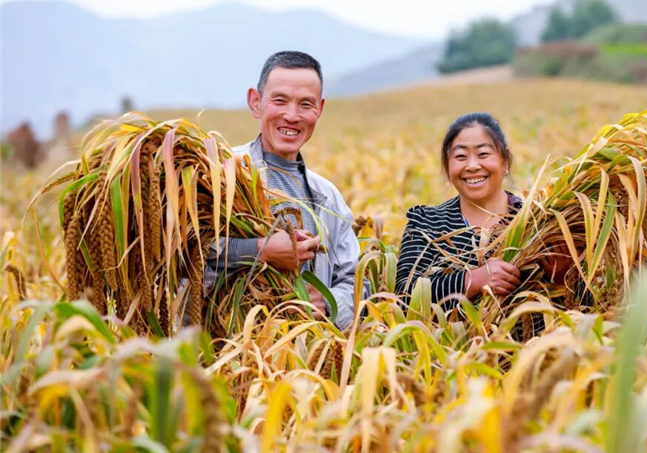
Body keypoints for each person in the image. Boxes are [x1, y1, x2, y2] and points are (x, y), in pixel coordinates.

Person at [203, 51, 367, 330]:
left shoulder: (328, 197)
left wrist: (327, 303)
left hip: (305, 352)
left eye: (306, 104)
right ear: (255, 102)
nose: (292, 116)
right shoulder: (218, 174)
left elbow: (355, 281)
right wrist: (259, 250)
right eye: (279, 101)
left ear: (319, 109)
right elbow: (179, 257)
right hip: (222, 349)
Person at [395, 112, 570, 312]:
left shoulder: (540, 223)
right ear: (447, 165)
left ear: (505, 161)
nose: (472, 166)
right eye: (460, 157)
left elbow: (588, 307)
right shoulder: (425, 223)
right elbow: (404, 297)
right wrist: (474, 280)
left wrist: (563, 280)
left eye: (483, 154)